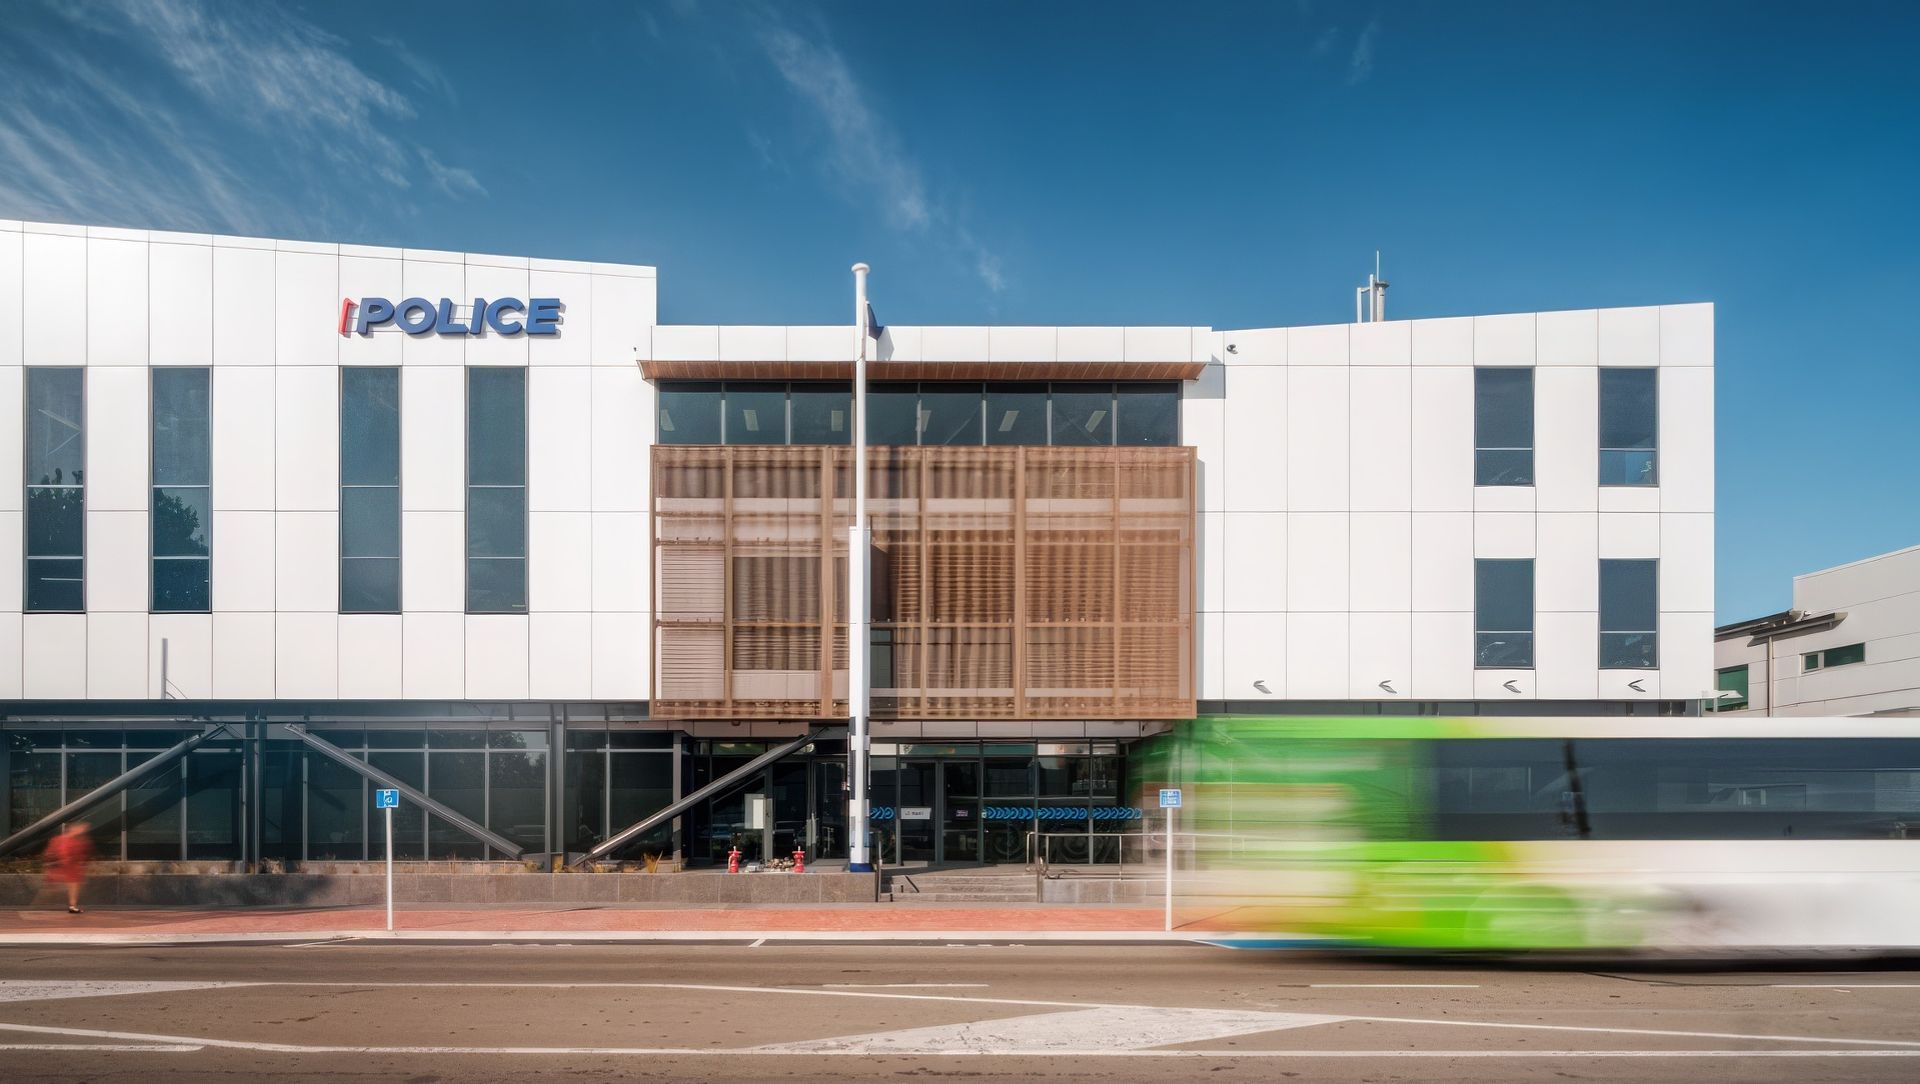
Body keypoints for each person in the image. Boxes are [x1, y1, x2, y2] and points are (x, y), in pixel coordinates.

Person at [42, 822, 94, 914]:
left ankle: (72, 905)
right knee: (71, 885)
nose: (82, 830)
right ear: (72, 829)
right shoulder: (61, 840)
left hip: (70, 869)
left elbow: (83, 854)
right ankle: (71, 905)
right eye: (79, 828)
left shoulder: (79, 841)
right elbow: (52, 853)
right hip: (65, 868)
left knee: (73, 885)